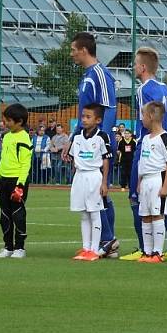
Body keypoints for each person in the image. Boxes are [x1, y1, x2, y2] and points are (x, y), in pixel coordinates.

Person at [120, 47, 167, 262]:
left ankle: (144, 248)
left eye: (136, 64)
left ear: (143, 67)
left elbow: (143, 123)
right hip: (166, 149)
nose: (134, 68)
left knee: (136, 198)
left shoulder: (143, 90)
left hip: (147, 149)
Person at [68, 32, 118, 255]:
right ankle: (107, 240)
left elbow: (109, 107)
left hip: (97, 145)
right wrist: (74, 141)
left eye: (73, 49)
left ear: (84, 50)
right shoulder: (87, 75)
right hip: (85, 142)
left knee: (99, 191)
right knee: (96, 192)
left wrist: (101, 140)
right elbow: (83, 116)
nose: (71, 54)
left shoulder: (100, 74)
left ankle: (107, 239)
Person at [69, 104, 112, 261]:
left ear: (98, 119)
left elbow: (106, 160)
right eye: (83, 117)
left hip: (94, 176)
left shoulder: (102, 137)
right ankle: (85, 248)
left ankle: (94, 249)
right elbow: (73, 158)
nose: (84, 120)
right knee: (83, 214)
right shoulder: (77, 137)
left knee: (94, 212)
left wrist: (104, 182)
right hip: (80, 177)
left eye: (88, 117)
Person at [135, 102, 167, 263]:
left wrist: (166, 186)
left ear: (151, 116)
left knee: (157, 215)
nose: (142, 119)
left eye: (144, 115)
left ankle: (157, 253)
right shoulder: (146, 138)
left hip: (158, 179)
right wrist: (139, 181)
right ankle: (147, 252)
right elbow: (142, 162)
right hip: (145, 180)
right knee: (145, 215)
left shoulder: (164, 137)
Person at [0, 104, 32, 259]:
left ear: (20, 121)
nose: (6, 123)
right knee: (5, 215)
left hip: (17, 181)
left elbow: (25, 163)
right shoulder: (7, 136)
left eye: (9, 121)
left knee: (18, 214)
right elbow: (3, 159)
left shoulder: (24, 138)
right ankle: (8, 247)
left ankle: (20, 248)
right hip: (4, 180)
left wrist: (20, 184)